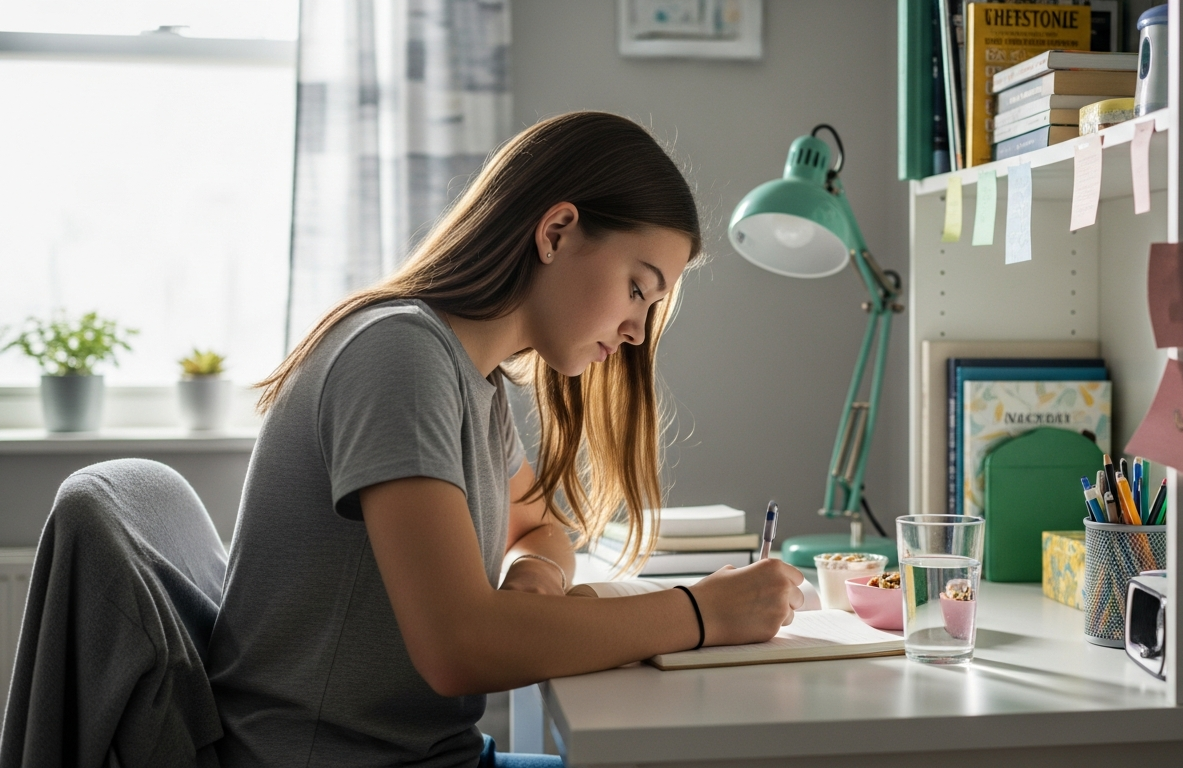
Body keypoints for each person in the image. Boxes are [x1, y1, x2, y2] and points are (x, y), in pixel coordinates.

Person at [205, 111, 804, 767]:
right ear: (556, 232)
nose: (637, 330)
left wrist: (531, 578)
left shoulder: (472, 379)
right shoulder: (399, 357)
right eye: (637, 287)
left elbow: (539, 528)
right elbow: (460, 648)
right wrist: (702, 613)